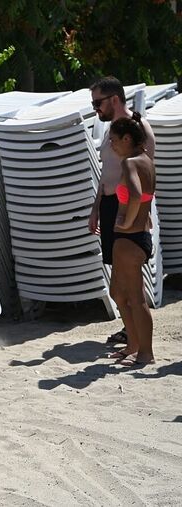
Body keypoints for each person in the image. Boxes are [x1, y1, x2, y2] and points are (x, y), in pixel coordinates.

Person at [88, 77, 155, 348]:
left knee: (131, 284)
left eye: (97, 103)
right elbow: (106, 175)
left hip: (126, 206)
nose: (95, 109)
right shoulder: (111, 131)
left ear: (114, 99)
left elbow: (146, 174)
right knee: (118, 282)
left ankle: (138, 341)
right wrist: (95, 209)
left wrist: (136, 215)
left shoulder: (137, 128)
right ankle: (132, 336)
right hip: (109, 204)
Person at [107, 116, 156, 367]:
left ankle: (145, 353)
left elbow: (136, 195)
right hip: (138, 237)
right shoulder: (147, 160)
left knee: (136, 298)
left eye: (113, 140)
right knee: (117, 293)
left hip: (130, 238)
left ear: (127, 139)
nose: (111, 144)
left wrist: (125, 223)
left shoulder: (129, 163)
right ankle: (134, 345)